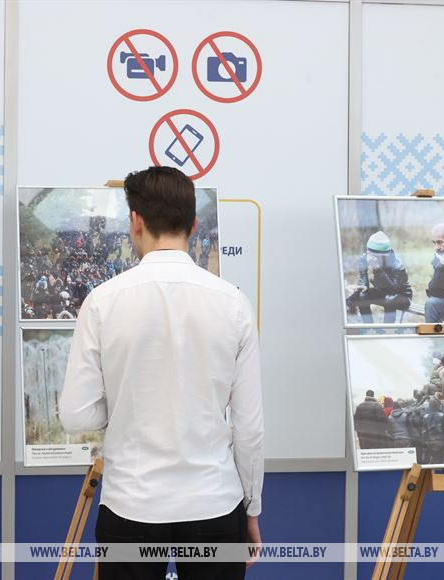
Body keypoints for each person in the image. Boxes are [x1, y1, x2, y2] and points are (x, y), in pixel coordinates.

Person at [59, 166, 263, 579]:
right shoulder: (233, 304)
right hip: (214, 501)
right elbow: (249, 428)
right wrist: (252, 508)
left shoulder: (101, 302)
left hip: (130, 503)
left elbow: (75, 415)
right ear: (193, 224)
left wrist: (124, 406)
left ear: (135, 221)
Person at [346, 231, 413, 323]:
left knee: (390, 299)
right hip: (382, 291)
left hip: (402, 295)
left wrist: (377, 268)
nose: (372, 258)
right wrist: (360, 288)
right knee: (362, 296)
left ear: (385, 255)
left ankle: (388, 329)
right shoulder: (366, 257)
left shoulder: (398, 266)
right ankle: (369, 328)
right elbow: (363, 280)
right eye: (370, 255)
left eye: (375, 256)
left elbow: (392, 290)